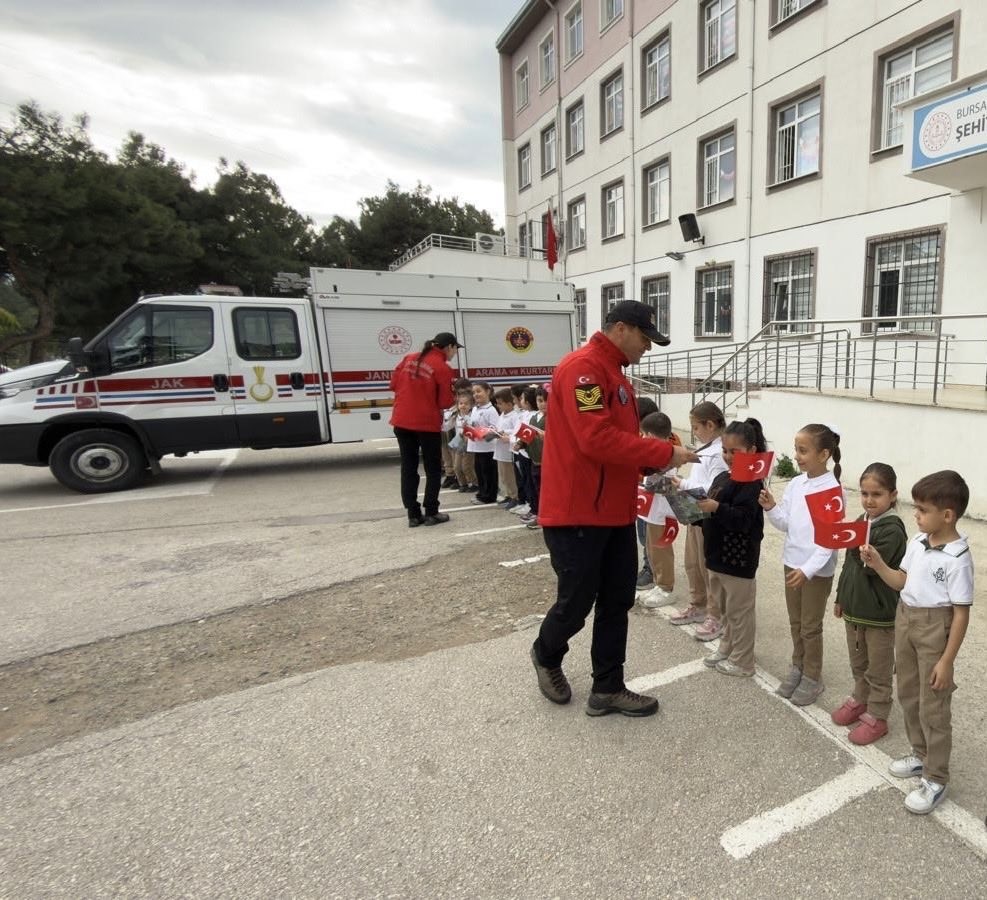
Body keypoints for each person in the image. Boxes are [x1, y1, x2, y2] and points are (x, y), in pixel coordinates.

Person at [529, 300, 698, 717]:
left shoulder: (616, 377)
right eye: (645, 338)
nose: (648, 348)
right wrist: (663, 451)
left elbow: (617, 446)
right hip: (578, 512)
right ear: (620, 328)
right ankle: (546, 653)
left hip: (614, 510)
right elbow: (595, 440)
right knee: (576, 601)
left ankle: (608, 686)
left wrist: (656, 459)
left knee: (616, 600)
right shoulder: (583, 370)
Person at [861, 470, 974, 815]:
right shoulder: (917, 542)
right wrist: (879, 564)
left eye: (923, 510)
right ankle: (920, 754)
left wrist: (947, 660)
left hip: (933, 627)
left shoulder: (958, 558)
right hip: (906, 617)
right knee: (909, 693)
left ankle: (936, 777)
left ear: (947, 515)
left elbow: (960, 614)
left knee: (934, 705)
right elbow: (901, 581)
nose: (916, 515)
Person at [758, 423, 842, 706]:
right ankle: (798, 666)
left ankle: (812, 677)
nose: (796, 455)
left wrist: (808, 570)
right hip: (791, 563)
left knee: (810, 626)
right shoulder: (796, 483)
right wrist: (771, 507)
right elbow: (786, 523)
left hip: (815, 571)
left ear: (824, 454)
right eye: (796, 449)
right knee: (796, 623)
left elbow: (829, 541)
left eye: (803, 450)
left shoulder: (832, 490)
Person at [831, 463, 907, 745]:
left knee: (879, 667)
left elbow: (869, 568)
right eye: (864, 493)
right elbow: (849, 569)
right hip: (855, 610)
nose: (869, 500)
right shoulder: (862, 521)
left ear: (893, 495)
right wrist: (841, 598)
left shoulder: (892, 529)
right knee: (858, 662)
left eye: (877, 494)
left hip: (879, 614)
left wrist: (859, 549)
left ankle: (878, 714)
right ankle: (860, 698)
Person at [697, 419, 768, 677]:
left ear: (750, 450)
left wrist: (716, 508)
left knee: (740, 612)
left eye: (734, 452)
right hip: (716, 556)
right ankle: (727, 646)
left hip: (738, 559)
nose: (728, 457)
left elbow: (744, 520)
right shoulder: (723, 476)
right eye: (725, 451)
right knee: (725, 609)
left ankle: (743, 661)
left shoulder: (753, 483)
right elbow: (711, 506)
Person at [668, 401, 728, 640]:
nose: (693, 432)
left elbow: (715, 488)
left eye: (695, 427)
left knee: (708, 567)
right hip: (694, 513)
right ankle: (698, 604)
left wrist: (683, 484)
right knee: (693, 563)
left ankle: (716, 614)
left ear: (710, 425)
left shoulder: (720, 453)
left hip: (708, 516)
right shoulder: (705, 448)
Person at [388, 332, 461, 527]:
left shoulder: (409, 358)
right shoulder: (442, 367)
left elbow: (393, 384)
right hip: (426, 424)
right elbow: (444, 402)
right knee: (433, 468)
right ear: (449, 346)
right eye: (455, 349)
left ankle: (413, 513)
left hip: (402, 421)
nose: (455, 353)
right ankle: (431, 511)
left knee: (409, 467)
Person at [636, 411, 679, 610]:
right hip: (650, 509)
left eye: (643, 435)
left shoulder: (669, 453)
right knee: (651, 549)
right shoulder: (655, 453)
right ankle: (657, 581)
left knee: (662, 550)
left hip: (662, 512)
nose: (642, 439)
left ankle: (666, 587)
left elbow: (669, 483)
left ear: (651, 436)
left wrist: (647, 482)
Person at [467, 381, 499, 505]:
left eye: (479, 391)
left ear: (488, 392)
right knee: (479, 471)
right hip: (477, 446)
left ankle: (489, 495)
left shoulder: (491, 410)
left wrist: (481, 431)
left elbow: (495, 428)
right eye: (473, 392)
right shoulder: (475, 408)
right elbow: (473, 423)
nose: (476, 394)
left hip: (488, 447)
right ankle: (482, 492)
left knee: (488, 473)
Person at [492, 388, 520, 509]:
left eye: (500, 403)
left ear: (509, 404)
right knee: (503, 475)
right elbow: (498, 427)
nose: (498, 406)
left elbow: (516, 431)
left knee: (510, 476)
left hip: (508, 451)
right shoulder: (502, 415)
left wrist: (505, 433)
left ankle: (515, 496)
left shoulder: (515, 416)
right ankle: (509, 494)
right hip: (500, 451)